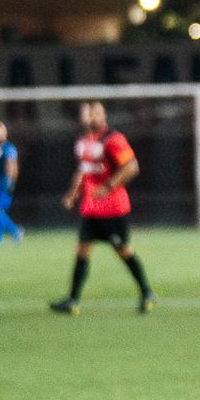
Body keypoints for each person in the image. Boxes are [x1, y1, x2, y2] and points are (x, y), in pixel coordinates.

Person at [50, 100, 154, 315]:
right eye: (88, 113)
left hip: (113, 208)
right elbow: (82, 171)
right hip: (91, 208)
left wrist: (108, 186)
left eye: (97, 113)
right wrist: (73, 194)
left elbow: (132, 167)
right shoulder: (82, 142)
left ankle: (146, 292)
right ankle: (73, 300)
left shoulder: (113, 139)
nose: (92, 117)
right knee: (81, 249)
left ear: (103, 115)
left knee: (123, 251)